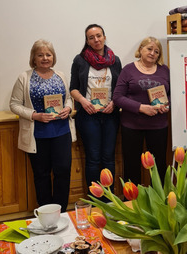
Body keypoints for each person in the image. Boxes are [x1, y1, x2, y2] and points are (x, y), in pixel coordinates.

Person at [10, 39, 75, 212]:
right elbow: (14, 104)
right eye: (40, 55)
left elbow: (68, 97)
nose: (45, 58)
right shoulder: (24, 77)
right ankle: (46, 214)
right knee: (41, 175)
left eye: (48, 54)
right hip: (37, 134)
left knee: (63, 172)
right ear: (34, 58)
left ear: (53, 57)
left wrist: (68, 107)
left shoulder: (60, 75)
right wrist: (35, 115)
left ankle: (60, 212)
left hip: (62, 132)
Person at [70, 24, 122, 189]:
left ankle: (109, 200)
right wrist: (83, 102)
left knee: (108, 157)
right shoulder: (80, 60)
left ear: (104, 37)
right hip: (87, 115)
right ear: (87, 41)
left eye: (98, 36)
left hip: (110, 115)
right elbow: (73, 88)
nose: (96, 40)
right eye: (91, 37)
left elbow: (120, 88)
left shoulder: (115, 60)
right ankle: (95, 199)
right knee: (93, 158)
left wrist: (114, 102)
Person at [113, 36, 170, 185]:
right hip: (132, 126)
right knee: (131, 168)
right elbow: (117, 97)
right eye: (149, 49)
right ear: (140, 50)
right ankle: (131, 204)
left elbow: (171, 94)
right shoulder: (128, 69)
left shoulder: (165, 70)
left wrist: (166, 104)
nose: (152, 53)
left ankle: (159, 204)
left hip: (158, 127)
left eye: (156, 51)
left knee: (159, 168)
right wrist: (140, 108)